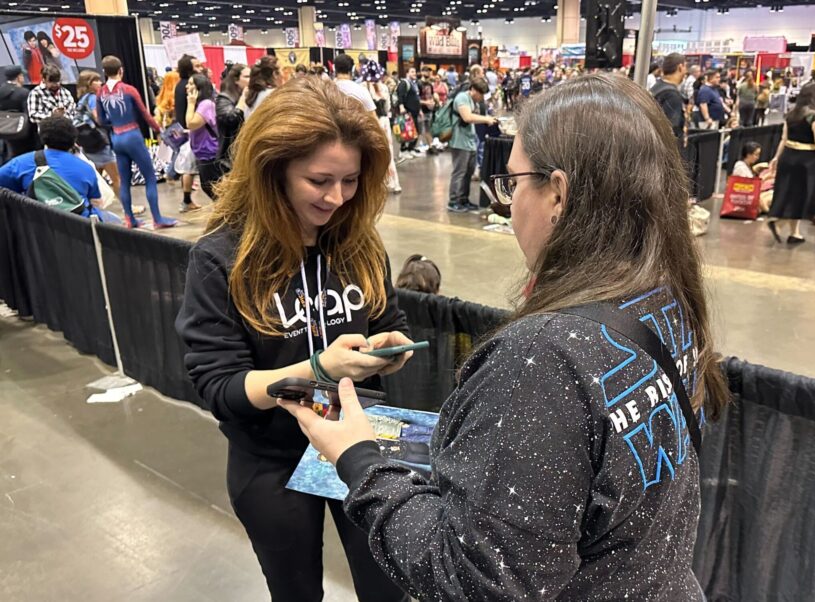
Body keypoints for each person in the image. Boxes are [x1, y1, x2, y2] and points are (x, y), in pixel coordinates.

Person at [277, 72, 728, 601]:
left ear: (557, 193)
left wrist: (359, 460)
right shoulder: (664, 299)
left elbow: (473, 580)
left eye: (513, 183)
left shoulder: (543, 361)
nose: (508, 204)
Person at [175, 76, 412, 602]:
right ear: (273, 170)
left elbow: (385, 319)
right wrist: (318, 370)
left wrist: (387, 349)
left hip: (360, 442)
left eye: (351, 181)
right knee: (297, 591)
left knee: (389, 588)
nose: (337, 198)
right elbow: (222, 387)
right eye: (319, 180)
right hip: (272, 458)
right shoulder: (222, 259)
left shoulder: (359, 243)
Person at [96, 55, 175, 229]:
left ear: (104, 72)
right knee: (150, 178)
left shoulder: (101, 92)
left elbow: (101, 120)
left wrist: (114, 123)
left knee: (124, 181)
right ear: (121, 70)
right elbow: (145, 114)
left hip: (116, 137)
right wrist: (158, 129)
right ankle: (157, 218)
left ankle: (129, 218)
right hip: (132, 135)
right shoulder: (129, 90)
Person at [766, 84, 815, 245]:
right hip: (807, 161)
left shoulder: (791, 114)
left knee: (791, 194)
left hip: (788, 156)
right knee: (802, 196)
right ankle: (779, 224)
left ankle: (795, 233)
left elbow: (784, 139)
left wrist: (776, 158)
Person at [0, 116, 101, 212]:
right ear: (74, 140)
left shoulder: (21, 163)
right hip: (78, 225)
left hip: (35, 224)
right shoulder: (87, 168)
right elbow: (96, 202)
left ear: (42, 137)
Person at [447, 78, 498, 213]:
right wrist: (486, 119)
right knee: (459, 172)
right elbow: (467, 117)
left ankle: (463, 199)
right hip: (459, 141)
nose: (481, 97)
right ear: (473, 90)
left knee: (468, 172)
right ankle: (453, 201)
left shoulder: (472, 100)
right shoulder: (462, 98)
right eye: (480, 94)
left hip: (469, 141)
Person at [74, 70, 120, 196]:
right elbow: (99, 118)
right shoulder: (93, 98)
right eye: (96, 80)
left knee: (95, 178)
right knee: (117, 177)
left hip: (89, 144)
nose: (100, 83)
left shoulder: (82, 99)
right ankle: (128, 208)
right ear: (89, 84)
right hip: (99, 142)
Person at [358, 60, 401, 194]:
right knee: (387, 153)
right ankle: (394, 183)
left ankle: (372, 185)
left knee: (368, 154)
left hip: (367, 123)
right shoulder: (383, 87)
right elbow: (388, 107)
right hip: (383, 122)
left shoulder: (361, 87)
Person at [185, 73, 221, 201]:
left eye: (190, 84)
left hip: (209, 152)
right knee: (210, 186)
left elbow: (191, 124)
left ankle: (228, 215)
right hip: (202, 152)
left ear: (198, 87)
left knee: (212, 187)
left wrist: (190, 103)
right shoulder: (202, 104)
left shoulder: (206, 104)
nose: (186, 87)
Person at [175, 54, 203, 213]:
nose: (200, 68)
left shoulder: (180, 84)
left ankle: (187, 199)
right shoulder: (189, 86)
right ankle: (186, 200)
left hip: (183, 128)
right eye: (197, 66)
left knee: (187, 166)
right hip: (189, 129)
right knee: (189, 167)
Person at [215, 63, 249, 171]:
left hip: (245, 151)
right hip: (230, 156)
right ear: (236, 80)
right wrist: (243, 97)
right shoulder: (224, 98)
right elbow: (231, 119)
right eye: (247, 77)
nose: (251, 80)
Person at [0, 65, 36, 160]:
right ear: (19, 77)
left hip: (3, 132)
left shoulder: (1, 91)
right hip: (21, 134)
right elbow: (29, 115)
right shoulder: (24, 93)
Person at [650, 53, 686, 138]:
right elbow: (671, 129)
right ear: (680, 67)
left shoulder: (656, 87)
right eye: (685, 67)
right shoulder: (672, 95)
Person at [396, 67, 422, 157]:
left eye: (415, 71)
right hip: (407, 112)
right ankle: (403, 150)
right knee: (405, 131)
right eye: (412, 71)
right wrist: (401, 107)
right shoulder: (404, 83)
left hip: (414, 112)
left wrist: (420, 110)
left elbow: (417, 98)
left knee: (415, 131)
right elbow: (400, 95)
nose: (414, 73)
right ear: (407, 73)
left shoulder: (414, 84)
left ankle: (411, 148)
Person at [418, 67, 438, 153]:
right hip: (421, 110)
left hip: (429, 110)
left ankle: (430, 145)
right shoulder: (419, 84)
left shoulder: (430, 84)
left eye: (430, 72)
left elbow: (432, 95)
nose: (429, 74)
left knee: (427, 129)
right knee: (421, 130)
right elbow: (416, 98)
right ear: (422, 72)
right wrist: (425, 103)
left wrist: (434, 101)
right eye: (427, 72)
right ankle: (429, 145)